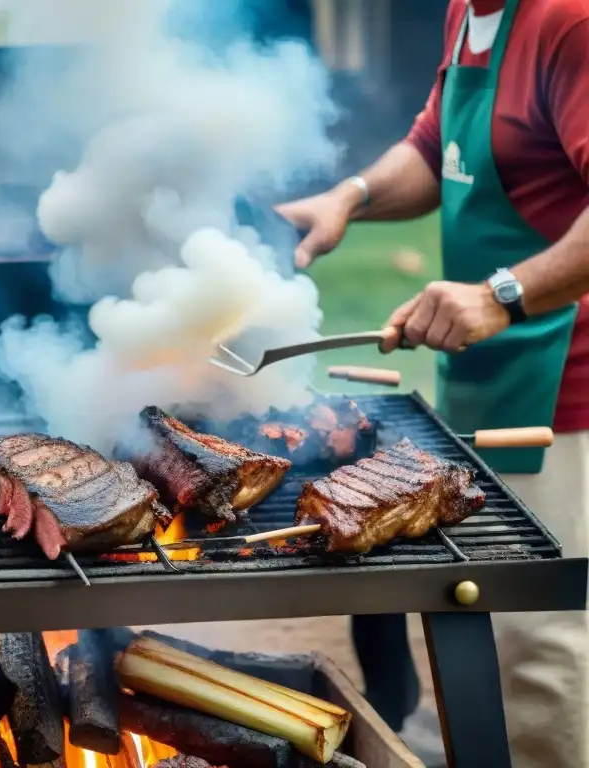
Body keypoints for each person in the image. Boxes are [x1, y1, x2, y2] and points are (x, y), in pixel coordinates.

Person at [276, 0, 589, 765]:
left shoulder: (567, 21)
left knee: (538, 648)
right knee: (490, 632)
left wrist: (498, 295)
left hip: (568, 386)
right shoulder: (471, 12)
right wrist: (349, 198)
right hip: (492, 371)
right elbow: (437, 148)